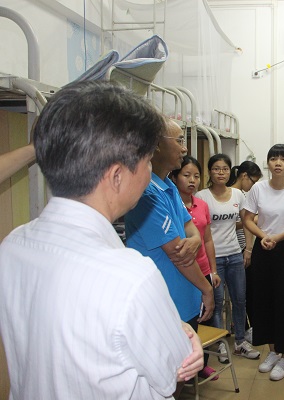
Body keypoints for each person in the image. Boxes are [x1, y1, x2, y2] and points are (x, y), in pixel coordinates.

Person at [0, 81, 203, 399]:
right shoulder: (131, 276)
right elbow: (173, 371)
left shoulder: (14, 246)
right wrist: (184, 335)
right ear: (117, 176)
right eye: (147, 162)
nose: (148, 174)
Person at [125, 118, 215, 336]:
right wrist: (207, 288)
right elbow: (177, 253)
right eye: (179, 141)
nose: (185, 149)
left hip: (184, 299)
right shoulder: (146, 193)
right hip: (164, 304)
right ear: (157, 145)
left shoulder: (168, 186)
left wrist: (195, 240)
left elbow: (190, 226)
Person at [242, 143, 284, 381]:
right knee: (263, 301)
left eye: (283, 159)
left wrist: (277, 238)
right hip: (264, 249)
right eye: (273, 158)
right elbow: (247, 218)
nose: (278, 163)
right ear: (268, 163)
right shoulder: (258, 188)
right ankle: (272, 351)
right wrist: (264, 237)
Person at [196, 154, 260, 361]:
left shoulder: (238, 195)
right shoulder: (202, 196)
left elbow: (247, 222)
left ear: (230, 171)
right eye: (216, 169)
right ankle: (221, 344)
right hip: (213, 258)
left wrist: (248, 249)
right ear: (210, 172)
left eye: (224, 169)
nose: (221, 172)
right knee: (216, 302)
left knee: (240, 300)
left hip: (234, 255)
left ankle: (240, 342)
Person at [171, 155, 222, 381]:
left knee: (205, 317)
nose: (192, 180)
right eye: (186, 175)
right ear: (174, 177)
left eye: (196, 176)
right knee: (185, 321)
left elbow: (207, 239)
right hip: (184, 271)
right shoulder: (171, 204)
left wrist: (213, 270)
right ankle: (183, 367)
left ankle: (202, 365)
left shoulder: (202, 205)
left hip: (203, 269)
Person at [227, 160, 263, 336]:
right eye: (253, 181)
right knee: (242, 293)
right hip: (235, 248)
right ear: (244, 176)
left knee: (246, 292)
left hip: (243, 247)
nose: (253, 186)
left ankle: (246, 327)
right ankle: (245, 328)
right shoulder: (232, 194)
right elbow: (229, 224)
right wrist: (252, 220)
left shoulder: (243, 195)